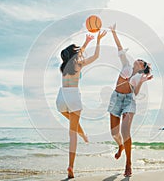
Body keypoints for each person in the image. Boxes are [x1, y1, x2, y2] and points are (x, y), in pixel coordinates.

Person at [56, 30, 107, 179]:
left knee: (72, 124)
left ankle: (83, 134)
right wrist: (97, 40)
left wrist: (86, 42)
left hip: (61, 98)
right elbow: (96, 56)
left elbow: (76, 54)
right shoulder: (79, 64)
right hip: (73, 96)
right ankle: (71, 166)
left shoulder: (63, 67)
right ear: (74, 54)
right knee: (72, 134)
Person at [107, 23, 153, 177]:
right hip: (116, 98)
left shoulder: (139, 76)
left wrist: (141, 82)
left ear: (142, 67)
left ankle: (128, 163)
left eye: (141, 61)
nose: (138, 60)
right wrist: (114, 32)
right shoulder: (126, 65)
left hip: (128, 101)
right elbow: (120, 49)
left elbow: (135, 92)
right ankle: (120, 146)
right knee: (114, 133)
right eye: (139, 59)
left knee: (125, 131)